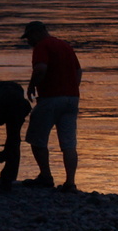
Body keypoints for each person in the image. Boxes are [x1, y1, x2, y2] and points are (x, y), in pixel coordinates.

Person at [21, 20, 82, 191]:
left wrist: (32, 85)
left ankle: (46, 176)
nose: (29, 42)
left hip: (51, 98)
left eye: (29, 37)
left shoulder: (42, 46)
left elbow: (40, 69)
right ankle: (70, 182)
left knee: (37, 137)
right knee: (69, 143)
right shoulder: (65, 46)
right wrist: (71, 88)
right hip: (72, 99)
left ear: (37, 33)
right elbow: (78, 71)